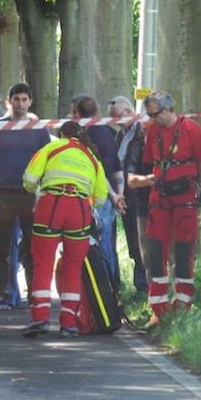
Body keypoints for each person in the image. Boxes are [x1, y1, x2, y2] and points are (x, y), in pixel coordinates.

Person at [129, 91, 201, 328]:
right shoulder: (153, 131)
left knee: (185, 251)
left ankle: (183, 305)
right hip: (160, 198)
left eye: (155, 114)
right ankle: (158, 310)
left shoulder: (192, 129)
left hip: (185, 199)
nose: (152, 119)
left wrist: (195, 187)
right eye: (150, 114)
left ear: (169, 109)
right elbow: (151, 162)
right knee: (156, 253)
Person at [22, 121, 108, 337]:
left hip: (51, 205)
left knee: (43, 263)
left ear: (61, 134)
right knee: (73, 267)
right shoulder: (92, 157)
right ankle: (69, 322)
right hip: (79, 209)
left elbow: (29, 179)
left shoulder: (52, 147)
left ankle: (40, 318)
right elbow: (100, 197)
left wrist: (36, 190)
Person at [0, 83, 51, 310]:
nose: (20, 103)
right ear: (9, 102)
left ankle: (34, 297)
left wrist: (45, 191)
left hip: (30, 195)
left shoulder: (38, 128)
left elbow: (50, 159)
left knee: (32, 248)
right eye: (16, 99)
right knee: (2, 249)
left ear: (30, 102)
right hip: (3, 195)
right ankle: (2, 295)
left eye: (24, 99)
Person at [71, 95, 125, 285]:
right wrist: (120, 194)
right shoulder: (110, 132)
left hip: (97, 198)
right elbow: (117, 167)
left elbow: (99, 170)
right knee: (109, 244)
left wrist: (113, 195)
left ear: (76, 113)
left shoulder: (85, 137)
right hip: (110, 198)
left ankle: (103, 288)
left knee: (99, 246)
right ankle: (113, 285)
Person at [111, 95, 149, 294]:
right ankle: (140, 287)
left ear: (127, 112)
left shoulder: (143, 131)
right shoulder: (121, 135)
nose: (115, 122)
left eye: (116, 117)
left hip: (142, 194)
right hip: (127, 196)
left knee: (143, 243)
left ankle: (145, 288)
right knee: (133, 244)